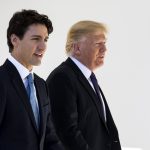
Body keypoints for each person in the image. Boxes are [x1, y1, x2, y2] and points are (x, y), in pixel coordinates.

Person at [46, 20, 122, 150]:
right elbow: (66, 132)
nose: (105, 49)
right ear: (77, 48)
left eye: (104, 43)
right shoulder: (62, 78)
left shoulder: (88, 78)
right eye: (98, 44)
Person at [0, 9, 65, 150]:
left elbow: (49, 136)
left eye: (45, 39)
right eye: (36, 39)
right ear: (14, 40)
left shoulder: (41, 85)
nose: (43, 46)